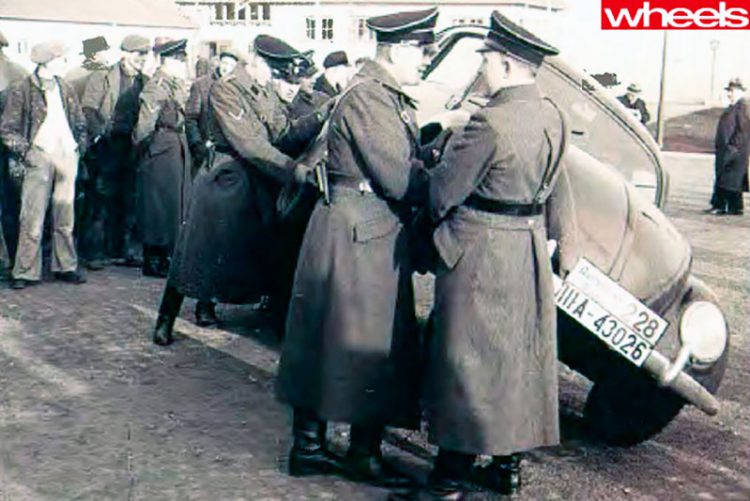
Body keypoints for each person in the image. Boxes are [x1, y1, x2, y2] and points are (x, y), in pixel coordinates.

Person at [403, 12, 567, 500]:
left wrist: (440, 147)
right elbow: (560, 189)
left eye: (488, 62)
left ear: (509, 64)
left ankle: (449, 479)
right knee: (514, 359)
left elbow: (441, 194)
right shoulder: (553, 115)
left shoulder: (488, 122)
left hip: (480, 250)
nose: (483, 71)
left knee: (466, 358)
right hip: (528, 249)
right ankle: (506, 466)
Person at [276, 7, 437, 487]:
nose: (425, 61)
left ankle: (312, 447)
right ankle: (352, 454)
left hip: (357, 227)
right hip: (361, 230)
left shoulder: (376, 93)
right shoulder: (371, 97)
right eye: (422, 52)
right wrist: (442, 175)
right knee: (369, 342)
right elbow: (398, 177)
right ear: (398, 50)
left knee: (328, 336)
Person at [151, 35, 329, 346]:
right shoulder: (227, 89)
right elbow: (250, 144)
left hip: (256, 180)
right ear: (257, 61)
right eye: (273, 71)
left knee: (261, 253)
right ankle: (166, 319)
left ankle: (266, 318)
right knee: (193, 252)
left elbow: (283, 133)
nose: (275, 79)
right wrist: (296, 171)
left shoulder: (263, 91)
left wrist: (321, 115)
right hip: (224, 179)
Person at [0, 41, 88, 289]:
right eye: (61, 58)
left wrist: (78, 148)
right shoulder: (22, 89)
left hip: (66, 156)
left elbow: (79, 121)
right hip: (39, 157)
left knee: (65, 216)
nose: (65, 62)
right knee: (32, 217)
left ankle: (66, 266)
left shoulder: (65, 87)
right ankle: (25, 270)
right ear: (47, 61)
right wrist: (28, 153)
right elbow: (7, 129)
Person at [80, 34, 150, 270]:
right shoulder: (102, 76)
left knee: (130, 198)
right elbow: (88, 109)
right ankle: (94, 252)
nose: (142, 58)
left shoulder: (146, 82)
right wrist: (99, 135)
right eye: (139, 54)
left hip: (133, 146)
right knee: (100, 199)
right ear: (125, 54)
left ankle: (126, 250)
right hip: (107, 146)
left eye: (146, 54)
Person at [132, 39, 192, 278]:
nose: (183, 64)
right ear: (168, 61)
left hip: (175, 145)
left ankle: (166, 255)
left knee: (173, 205)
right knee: (157, 206)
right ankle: (154, 259)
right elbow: (144, 126)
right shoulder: (156, 86)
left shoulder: (173, 83)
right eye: (179, 60)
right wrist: (143, 151)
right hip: (160, 146)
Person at [0, 30, 28, 278]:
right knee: (12, 205)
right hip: (13, 150)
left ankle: (6, 260)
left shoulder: (14, 74)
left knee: (9, 206)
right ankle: (13, 259)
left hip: (8, 149)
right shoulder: (20, 72)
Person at [706, 78, 750, 215]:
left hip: (735, 153)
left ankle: (722, 206)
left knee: (729, 180)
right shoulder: (734, 107)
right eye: (729, 91)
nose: (729, 94)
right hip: (730, 151)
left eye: (732, 91)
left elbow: (743, 131)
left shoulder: (742, 108)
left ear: (740, 92)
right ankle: (733, 207)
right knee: (729, 180)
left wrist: (732, 148)